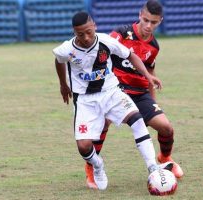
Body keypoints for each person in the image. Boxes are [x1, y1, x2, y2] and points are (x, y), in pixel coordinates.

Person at [53, 11, 172, 190]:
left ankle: (153, 168)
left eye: (89, 32)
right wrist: (63, 84)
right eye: (80, 34)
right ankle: (98, 165)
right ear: (74, 32)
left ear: (95, 26)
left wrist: (147, 75)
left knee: (137, 119)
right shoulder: (66, 49)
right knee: (84, 147)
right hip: (85, 100)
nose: (85, 37)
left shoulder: (106, 41)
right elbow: (58, 60)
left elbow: (130, 55)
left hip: (111, 93)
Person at [84, 0, 184, 189]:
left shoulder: (154, 46)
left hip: (139, 93)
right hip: (115, 91)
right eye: (145, 20)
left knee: (166, 128)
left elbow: (150, 75)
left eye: (153, 22)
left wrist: (154, 104)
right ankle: (91, 169)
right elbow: (100, 49)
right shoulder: (121, 34)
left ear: (160, 21)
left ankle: (165, 159)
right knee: (102, 124)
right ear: (139, 15)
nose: (148, 26)